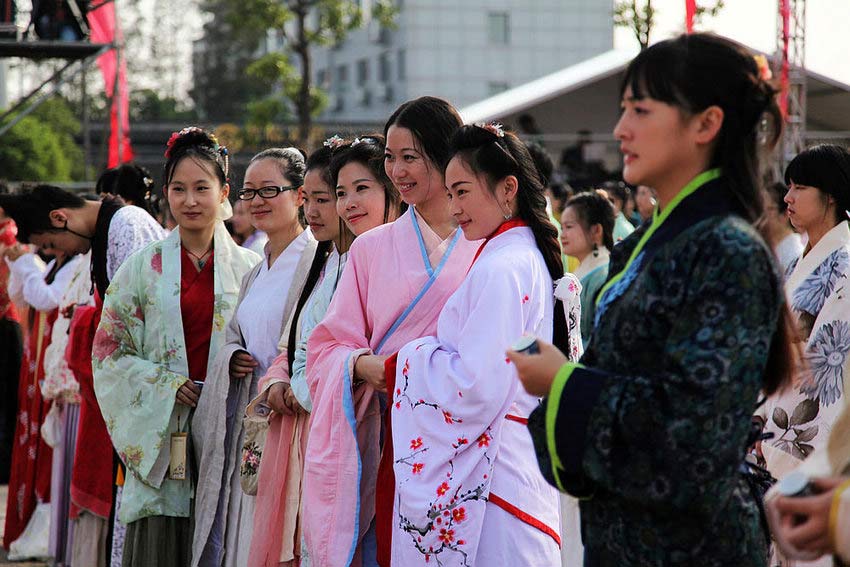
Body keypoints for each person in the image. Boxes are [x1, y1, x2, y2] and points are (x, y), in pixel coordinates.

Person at [507, 33, 794, 566]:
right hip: (623, 538)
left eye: (640, 110)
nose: (620, 130)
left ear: (706, 124)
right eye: (623, 110)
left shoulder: (727, 249)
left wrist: (562, 384)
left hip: (691, 549)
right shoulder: (648, 243)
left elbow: (695, 436)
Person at [303, 98, 479, 566]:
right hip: (390, 433)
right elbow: (325, 346)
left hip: (468, 436)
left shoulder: (487, 242)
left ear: (445, 154)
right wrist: (362, 365)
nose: (398, 171)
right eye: (391, 158)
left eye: (410, 157)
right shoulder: (370, 249)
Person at [380, 123, 565, 564]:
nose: (454, 206)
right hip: (513, 462)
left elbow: (476, 385)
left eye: (462, 191)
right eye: (450, 194)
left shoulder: (502, 266)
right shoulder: (518, 254)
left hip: (495, 474)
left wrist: (406, 360)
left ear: (508, 189)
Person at [93, 127, 259, 567]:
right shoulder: (140, 269)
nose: (190, 201)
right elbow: (109, 354)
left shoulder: (251, 268)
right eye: (179, 189)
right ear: (165, 193)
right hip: (165, 434)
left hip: (228, 425)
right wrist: (165, 384)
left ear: (224, 191)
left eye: (202, 188)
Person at [0, 180, 166, 565]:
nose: (58, 254)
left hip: (146, 386)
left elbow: (140, 319)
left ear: (61, 218)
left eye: (53, 245)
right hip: (125, 385)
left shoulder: (128, 226)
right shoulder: (106, 232)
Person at [191, 147, 315, 567]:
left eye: (269, 190)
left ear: (301, 195)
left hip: (294, 416)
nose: (256, 201)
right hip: (254, 419)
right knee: (245, 523)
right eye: (249, 192)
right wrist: (233, 355)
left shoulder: (316, 260)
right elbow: (233, 337)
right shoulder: (254, 271)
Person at [756, 145, 850, 567]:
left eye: (801, 187)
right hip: (776, 410)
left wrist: (767, 430)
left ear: (831, 195)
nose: (788, 197)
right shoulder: (804, 260)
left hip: (813, 434)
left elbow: (829, 363)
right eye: (788, 186)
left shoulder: (845, 264)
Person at [2, 236, 83, 550]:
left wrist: (25, 264)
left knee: (46, 446)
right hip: (37, 361)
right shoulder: (53, 264)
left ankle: (44, 530)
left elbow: (48, 299)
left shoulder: (76, 265)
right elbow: (21, 298)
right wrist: (19, 266)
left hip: (53, 366)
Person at [559, 191, 615, 348]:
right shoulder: (589, 269)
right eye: (562, 228)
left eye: (569, 227)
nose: (562, 235)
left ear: (596, 230)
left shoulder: (603, 276)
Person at [764, 180, 804, 274]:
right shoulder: (773, 252)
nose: (761, 217)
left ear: (786, 214)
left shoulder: (794, 257)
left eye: (767, 209)